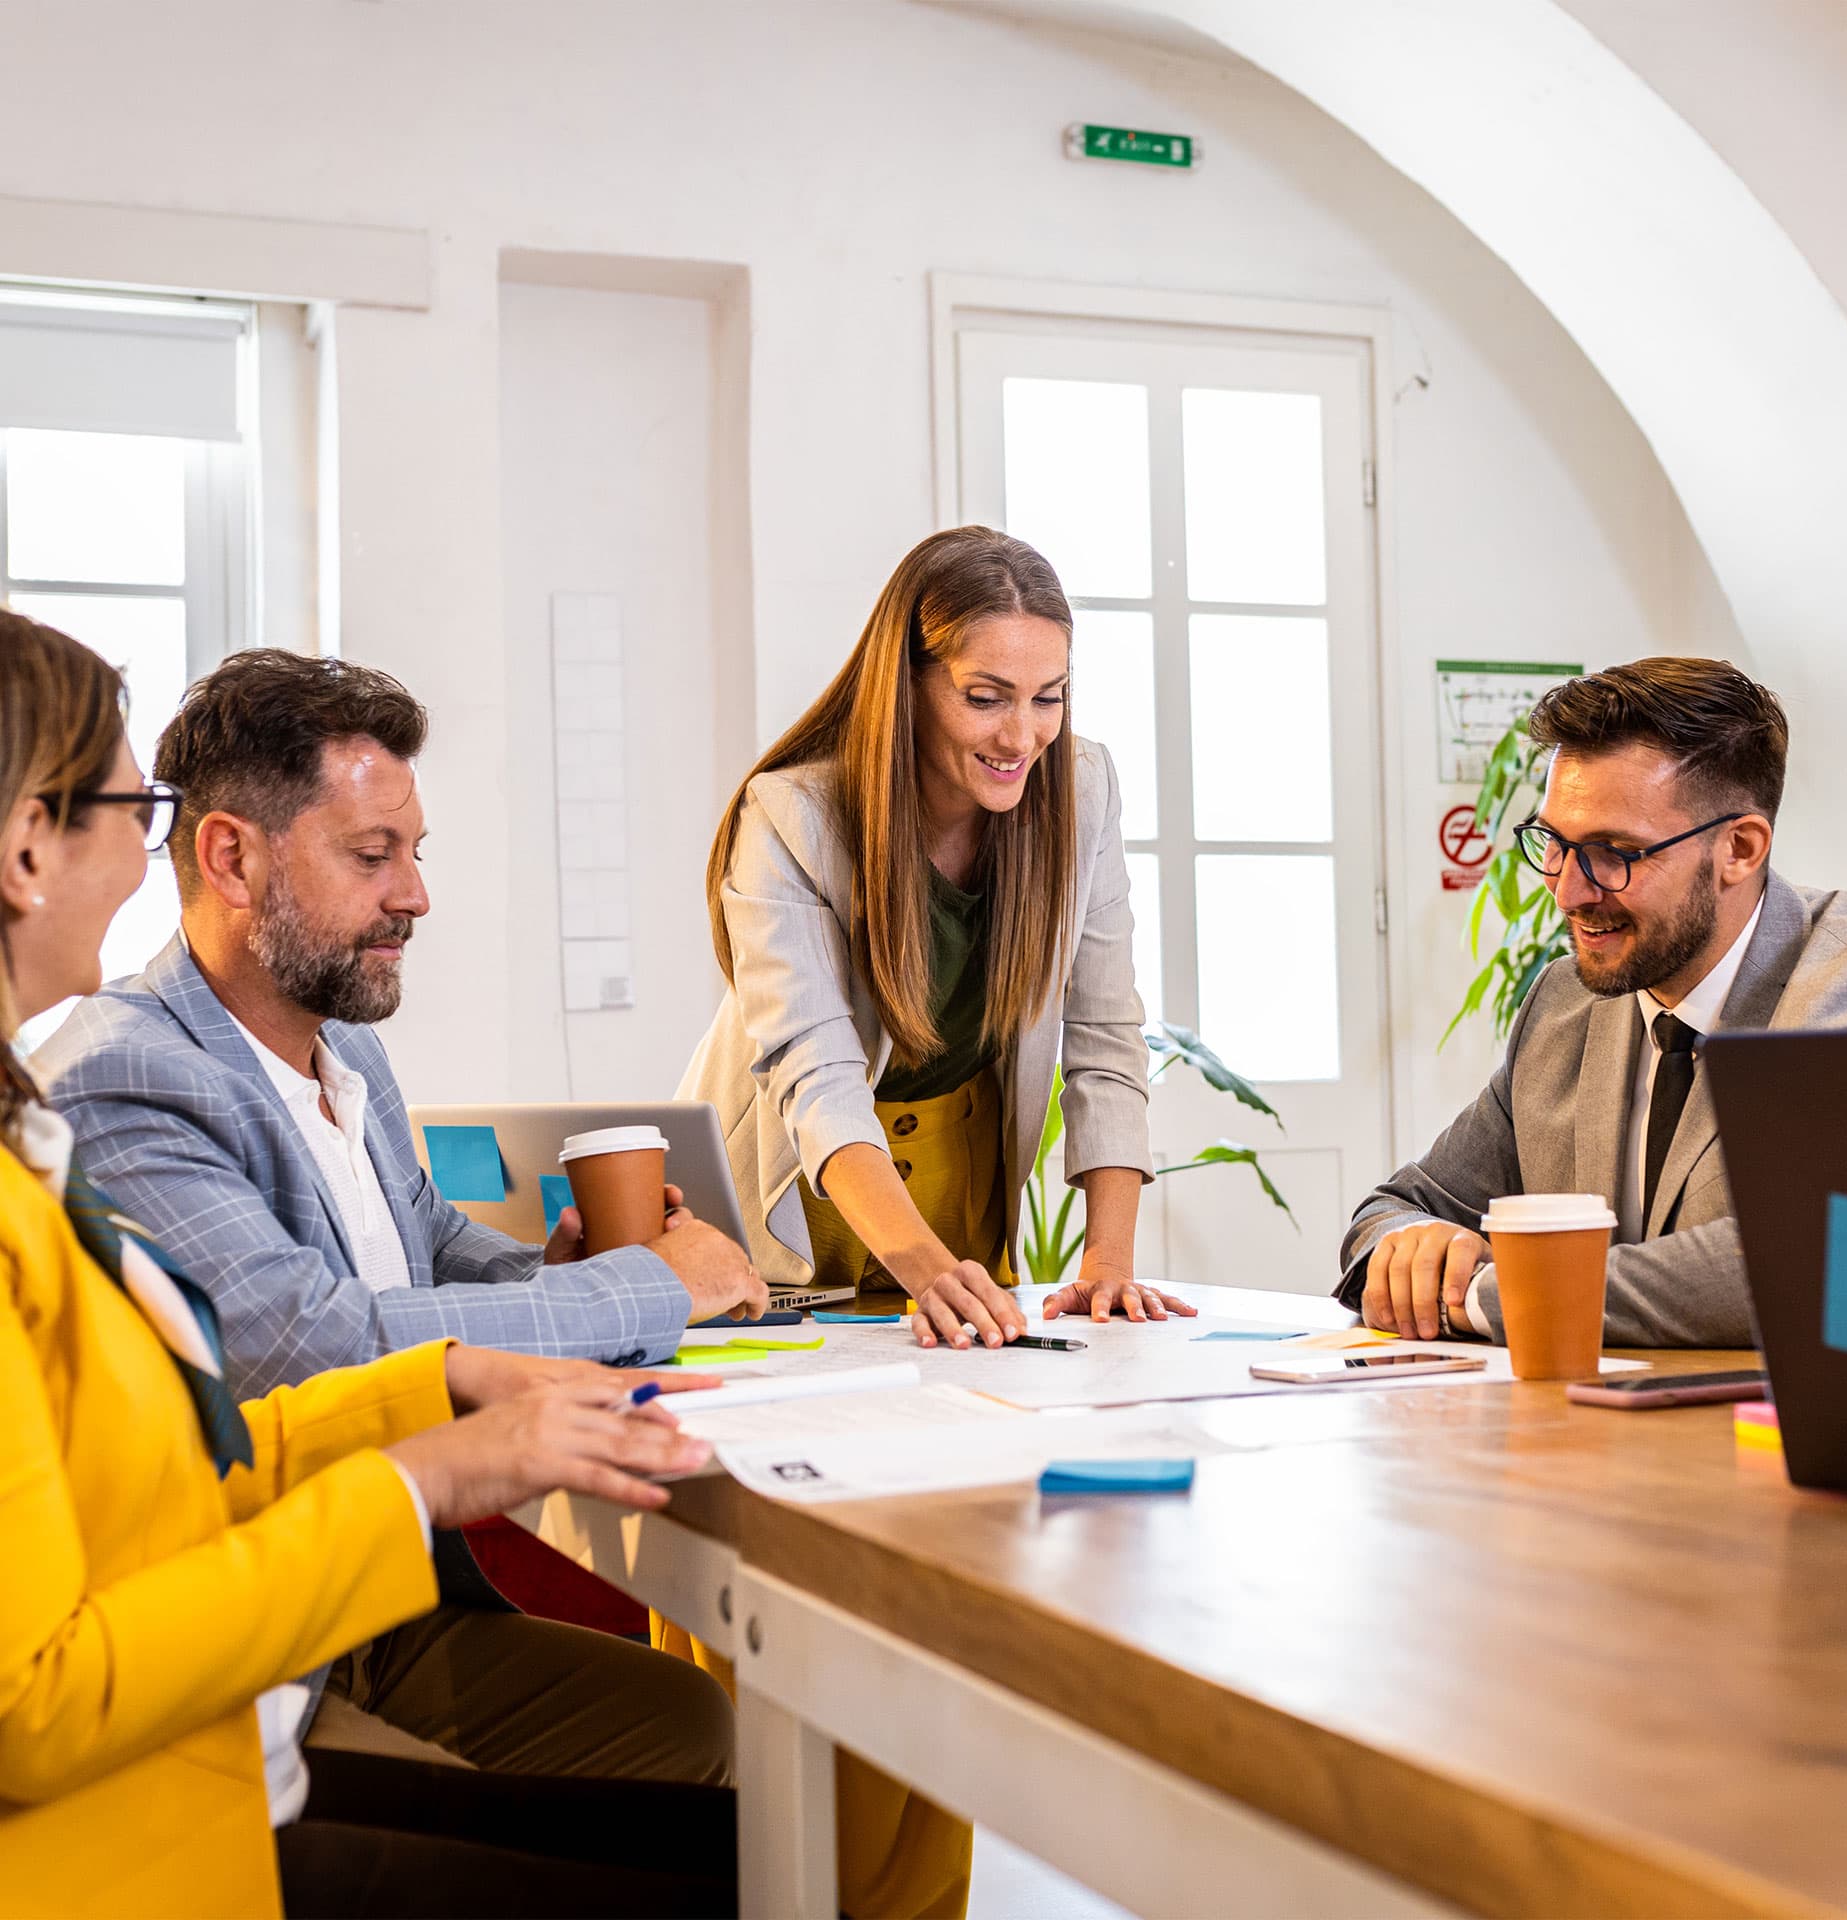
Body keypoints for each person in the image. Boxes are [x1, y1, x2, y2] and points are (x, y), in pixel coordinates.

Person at [0, 607, 735, 1919]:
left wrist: (508, 1329)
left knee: (727, 1802)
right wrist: (629, 1303)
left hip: (269, 1654)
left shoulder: (319, 1053)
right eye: (125, 805)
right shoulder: (110, 1082)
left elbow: (298, 1357)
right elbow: (306, 1346)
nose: (142, 845)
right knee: (736, 1871)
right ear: (23, 848)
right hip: (209, 1732)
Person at [674, 525, 1183, 1918]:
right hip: (800, 1190)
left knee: (934, 1547)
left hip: (951, 1184)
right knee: (775, 1536)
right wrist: (917, 1264)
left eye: (1051, 695)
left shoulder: (1080, 793)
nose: (1024, 733)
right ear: (911, 681)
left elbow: (1106, 1030)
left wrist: (1111, 1260)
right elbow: (810, 1071)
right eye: (987, 696)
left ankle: (910, 1899)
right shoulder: (794, 815)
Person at [1341, 657, 1847, 1348]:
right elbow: (1400, 1208)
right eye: (1554, 844)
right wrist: (1409, 1249)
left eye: (1613, 852)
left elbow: (1794, 1262)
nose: (1567, 892)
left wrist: (1493, 1295)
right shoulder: (1562, 1004)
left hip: (1771, 1448)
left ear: (1739, 848)